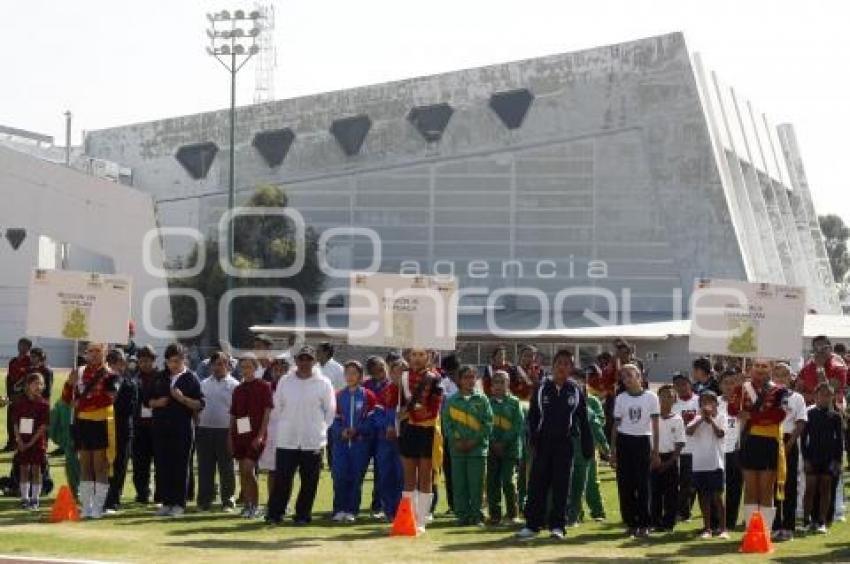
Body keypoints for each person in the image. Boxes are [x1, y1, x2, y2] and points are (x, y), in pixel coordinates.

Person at [516, 349, 593, 540]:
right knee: (537, 485)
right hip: (542, 444)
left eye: (567, 364)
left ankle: (558, 526)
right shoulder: (542, 387)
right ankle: (532, 525)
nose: (563, 367)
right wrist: (533, 441)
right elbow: (533, 417)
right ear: (553, 365)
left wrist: (587, 445)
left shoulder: (575, 390)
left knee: (561, 485)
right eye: (560, 363)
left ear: (571, 367)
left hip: (565, 444)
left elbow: (583, 419)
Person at [265, 346, 336, 525]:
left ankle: (303, 515)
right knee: (282, 479)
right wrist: (287, 425)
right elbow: (277, 406)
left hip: (312, 441)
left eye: (308, 359)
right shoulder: (285, 381)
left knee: (309, 481)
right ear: (296, 361)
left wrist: (319, 430)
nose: (304, 363)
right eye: (301, 359)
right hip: (287, 439)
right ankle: (275, 514)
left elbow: (330, 411)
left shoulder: (324, 382)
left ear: (314, 361)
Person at [727, 358, 789, 532]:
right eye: (757, 366)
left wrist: (752, 417)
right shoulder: (742, 388)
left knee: (766, 491)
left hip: (769, 443)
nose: (760, 370)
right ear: (751, 368)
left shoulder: (779, 391)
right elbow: (732, 410)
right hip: (748, 442)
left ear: (770, 369)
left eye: (764, 366)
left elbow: (779, 415)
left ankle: (765, 533)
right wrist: (736, 389)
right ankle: (751, 532)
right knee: (751, 490)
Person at [149, 343, 204, 517]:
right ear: (166, 361)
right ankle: (166, 502)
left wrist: (182, 399)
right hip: (160, 428)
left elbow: (200, 403)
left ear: (184, 359)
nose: (175, 364)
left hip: (182, 429)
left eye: (178, 360)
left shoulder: (191, 378)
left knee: (180, 465)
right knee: (163, 465)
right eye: (171, 361)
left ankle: (179, 503)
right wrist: (157, 403)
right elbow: (146, 400)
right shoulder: (159, 377)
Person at [65, 342, 118, 519]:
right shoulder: (79, 372)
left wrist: (84, 404)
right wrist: (68, 384)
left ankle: (98, 506)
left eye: (98, 351)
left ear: (105, 353)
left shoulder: (110, 374)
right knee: (84, 466)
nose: (94, 354)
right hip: (82, 424)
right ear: (86, 353)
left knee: (100, 467)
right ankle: (86, 506)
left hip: (101, 423)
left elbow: (108, 398)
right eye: (91, 351)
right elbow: (67, 399)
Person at [396, 347, 443, 532]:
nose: (417, 358)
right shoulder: (403, 377)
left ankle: (421, 520)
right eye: (414, 354)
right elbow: (399, 404)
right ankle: (408, 517)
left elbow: (435, 407)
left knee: (425, 477)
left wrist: (416, 413)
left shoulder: (435, 378)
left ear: (429, 357)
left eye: (421, 355)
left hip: (427, 429)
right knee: (408, 476)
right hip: (408, 429)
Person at [610, 363, 660, 538]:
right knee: (625, 485)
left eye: (631, 375)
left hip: (643, 442)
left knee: (643, 485)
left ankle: (644, 523)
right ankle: (631, 523)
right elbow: (616, 425)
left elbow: (655, 425)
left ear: (640, 377)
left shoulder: (651, 397)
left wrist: (655, 451)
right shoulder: (621, 398)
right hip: (624, 442)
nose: (627, 380)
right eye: (624, 377)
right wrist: (613, 450)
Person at [442, 365, 492, 527]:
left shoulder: (482, 399)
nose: (470, 380)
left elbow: (488, 423)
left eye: (473, 377)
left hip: (477, 449)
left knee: (477, 484)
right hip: (457, 449)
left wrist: (474, 441)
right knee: (459, 484)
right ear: (459, 380)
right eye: (466, 377)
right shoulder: (451, 400)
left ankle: (477, 516)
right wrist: (457, 440)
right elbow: (447, 424)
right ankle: (462, 515)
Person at [330, 360, 377, 522]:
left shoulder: (368, 396)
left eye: (354, 373)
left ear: (361, 376)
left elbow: (372, 421)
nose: (350, 376)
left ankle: (352, 510)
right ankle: (339, 510)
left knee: (356, 478)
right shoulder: (337, 395)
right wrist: (341, 431)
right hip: (341, 445)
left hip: (360, 445)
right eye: (347, 373)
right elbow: (333, 420)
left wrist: (358, 430)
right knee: (340, 476)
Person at [231, 354, 274, 518]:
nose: (245, 370)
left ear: (256, 369)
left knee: (249, 469)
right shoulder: (238, 389)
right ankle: (248, 505)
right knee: (243, 471)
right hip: (241, 433)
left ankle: (255, 506)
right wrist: (230, 435)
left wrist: (261, 435)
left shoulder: (264, 386)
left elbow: (267, 411)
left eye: (249, 367)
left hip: (256, 434)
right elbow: (235, 415)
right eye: (243, 367)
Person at [196, 351, 239, 512]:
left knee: (226, 468)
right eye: (215, 364)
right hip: (205, 430)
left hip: (226, 431)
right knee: (205, 467)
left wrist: (238, 434)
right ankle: (204, 500)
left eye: (222, 363)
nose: (218, 367)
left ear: (228, 365)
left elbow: (240, 412)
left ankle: (228, 500)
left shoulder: (235, 385)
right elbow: (197, 406)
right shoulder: (203, 384)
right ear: (211, 366)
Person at [568, 365, 610, 526]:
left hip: (589, 447)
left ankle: (598, 512)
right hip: (569, 447)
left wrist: (605, 448)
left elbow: (600, 421)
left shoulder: (592, 401)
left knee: (591, 482)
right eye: (573, 380)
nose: (576, 384)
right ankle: (575, 514)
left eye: (579, 380)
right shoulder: (565, 397)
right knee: (572, 483)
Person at [801, 383, 844, 533]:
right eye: (822, 394)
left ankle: (822, 521)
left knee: (826, 489)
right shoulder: (809, 414)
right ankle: (806, 521)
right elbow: (803, 439)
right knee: (810, 489)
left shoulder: (836, 417)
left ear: (832, 397)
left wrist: (837, 461)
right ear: (815, 396)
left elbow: (839, 441)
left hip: (829, 458)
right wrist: (805, 459)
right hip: (812, 457)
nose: (825, 398)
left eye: (828, 395)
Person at [772, 363, 807, 541]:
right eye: (776, 375)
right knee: (772, 485)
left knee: (790, 484)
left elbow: (801, 422)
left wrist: (790, 443)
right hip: (770, 441)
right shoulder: (768, 396)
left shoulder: (798, 398)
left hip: (789, 440)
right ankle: (775, 524)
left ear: (791, 377)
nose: (780, 378)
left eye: (784, 375)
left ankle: (788, 526)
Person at [686, 391, 728, 539]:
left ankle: (723, 529)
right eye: (703, 401)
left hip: (716, 463)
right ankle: (707, 529)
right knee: (703, 497)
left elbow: (721, 434)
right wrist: (701, 419)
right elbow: (689, 431)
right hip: (699, 464)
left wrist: (711, 420)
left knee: (717, 497)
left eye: (710, 401)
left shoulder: (722, 417)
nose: (707, 404)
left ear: (716, 403)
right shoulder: (697, 418)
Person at [486, 370, 524, 525]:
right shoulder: (486, 402)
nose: (499, 385)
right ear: (492, 385)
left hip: (510, 449)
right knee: (492, 481)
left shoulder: (515, 403)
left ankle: (512, 513)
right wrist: (493, 441)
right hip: (492, 448)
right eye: (496, 382)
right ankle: (495, 514)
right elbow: (485, 424)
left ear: (508, 384)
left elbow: (518, 426)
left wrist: (504, 442)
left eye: (502, 382)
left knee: (508, 481)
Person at [371, 356, 405, 521]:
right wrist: (388, 426)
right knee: (385, 475)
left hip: (404, 441)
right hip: (385, 440)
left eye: (402, 372)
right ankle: (388, 509)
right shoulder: (384, 391)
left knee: (402, 475)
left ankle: (401, 509)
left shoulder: (411, 393)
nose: (398, 376)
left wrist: (400, 428)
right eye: (395, 372)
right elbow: (377, 414)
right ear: (390, 373)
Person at [104, 349, 137, 513]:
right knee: (104, 464)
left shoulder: (129, 382)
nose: (114, 366)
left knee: (119, 465)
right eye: (111, 362)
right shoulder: (104, 382)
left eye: (117, 362)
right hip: (104, 427)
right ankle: (102, 498)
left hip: (122, 428)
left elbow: (130, 408)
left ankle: (113, 500)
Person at [364, 356, 395, 519]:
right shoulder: (366, 385)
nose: (380, 373)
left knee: (382, 471)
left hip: (384, 435)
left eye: (382, 368)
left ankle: (380, 504)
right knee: (362, 470)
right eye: (375, 371)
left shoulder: (392, 385)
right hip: (367, 434)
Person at [650, 384, 685, 532]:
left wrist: (670, 462)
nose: (666, 399)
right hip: (653, 457)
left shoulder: (677, 419)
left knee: (671, 494)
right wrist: (652, 457)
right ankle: (654, 522)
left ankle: (668, 523)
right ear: (658, 398)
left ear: (675, 400)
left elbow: (680, 443)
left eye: (670, 396)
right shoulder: (652, 417)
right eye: (663, 395)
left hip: (670, 459)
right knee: (654, 492)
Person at [258, 354, 290, 511]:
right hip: (270, 433)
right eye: (275, 370)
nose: (278, 373)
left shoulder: (294, 389)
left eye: (282, 370)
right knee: (272, 471)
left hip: (288, 434)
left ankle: (284, 504)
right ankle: (272, 502)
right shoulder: (266, 388)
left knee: (286, 472)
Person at [13, 372, 49, 510]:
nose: (39, 386)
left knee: (36, 469)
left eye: (41, 384)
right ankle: (24, 498)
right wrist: (19, 441)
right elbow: (15, 423)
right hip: (22, 439)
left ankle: (35, 499)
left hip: (37, 441)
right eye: (35, 383)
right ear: (28, 385)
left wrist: (30, 443)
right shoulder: (20, 402)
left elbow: (43, 427)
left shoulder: (44, 404)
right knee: (23, 469)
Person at [132, 345, 160, 504]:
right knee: (140, 463)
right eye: (141, 361)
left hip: (157, 425)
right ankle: (142, 493)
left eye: (147, 361)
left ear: (153, 360)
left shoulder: (161, 377)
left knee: (160, 462)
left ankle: (160, 493)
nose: (144, 364)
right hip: (139, 426)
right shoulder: (134, 377)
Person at [672, 372, 699, 522]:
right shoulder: (673, 403)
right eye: (677, 385)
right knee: (681, 482)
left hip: (697, 448)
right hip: (679, 449)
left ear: (690, 384)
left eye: (684, 383)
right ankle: (681, 511)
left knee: (691, 483)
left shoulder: (699, 400)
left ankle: (683, 512)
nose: (681, 387)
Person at [717, 371, 743, 529]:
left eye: (732, 382)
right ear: (720, 385)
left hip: (736, 449)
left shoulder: (742, 402)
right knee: (716, 488)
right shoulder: (714, 401)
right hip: (717, 449)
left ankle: (731, 522)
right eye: (726, 382)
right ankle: (715, 521)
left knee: (734, 487)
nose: (729, 386)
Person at [797, 336, 847, 407]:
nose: (820, 351)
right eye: (816, 348)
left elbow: (825, 394)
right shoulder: (806, 368)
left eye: (824, 348)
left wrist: (820, 368)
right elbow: (797, 392)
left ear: (830, 349)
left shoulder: (838, 368)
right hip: (808, 411)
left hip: (830, 412)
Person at [5, 337, 33, 452]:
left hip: (24, 396)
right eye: (19, 344)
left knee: (25, 420)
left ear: (28, 347)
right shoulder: (13, 361)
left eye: (23, 345)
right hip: (13, 396)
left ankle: (25, 442)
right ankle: (11, 442)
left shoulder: (30, 361)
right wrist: (9, 395)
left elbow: (30, 379)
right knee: (11, 419)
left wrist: (23, 394)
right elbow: (9, 378)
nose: (20, 347)